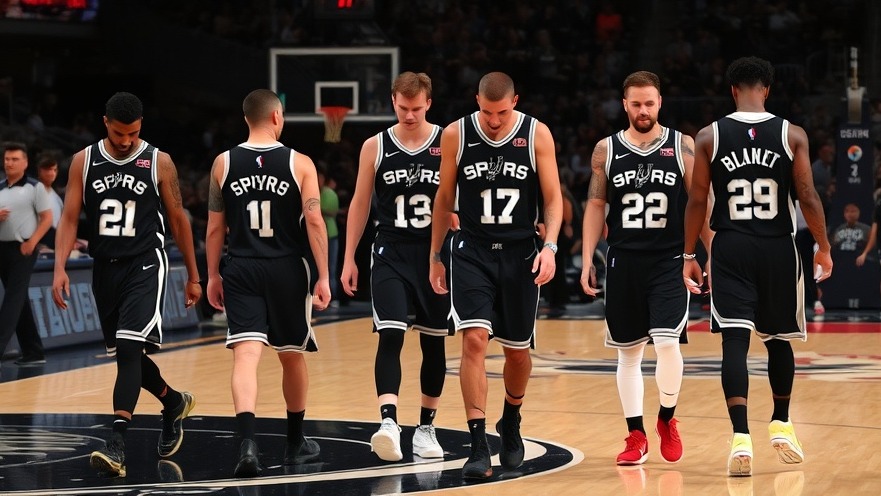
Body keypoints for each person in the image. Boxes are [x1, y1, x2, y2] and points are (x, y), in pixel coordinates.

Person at [682, 57, 833, 477]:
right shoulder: (793, 134)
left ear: (732, 90)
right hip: (778, 248)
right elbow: (808, 196)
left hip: (730, 246)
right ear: (766, 89)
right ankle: (782, 423)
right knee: (778, 339)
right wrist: (823, 246)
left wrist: (690, 255)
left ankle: (740, 437)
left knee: (734, 340)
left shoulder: (709, 136)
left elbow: (696, 202)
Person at [51, 92, 202, 478]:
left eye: (133, 133)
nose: (125, 141)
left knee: (129, 348)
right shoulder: (83, 161)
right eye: (119, 133)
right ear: (105, 123)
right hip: (104, 267)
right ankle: (172, 403)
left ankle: (116, 443)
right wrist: (60, 268)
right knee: (127, 354)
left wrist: (194, 275)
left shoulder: (159, 161)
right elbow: (69, 219)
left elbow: (179, 219)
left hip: (146, 262)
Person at [429, 71, 562, 479]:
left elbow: (554, 199)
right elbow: (443, 197)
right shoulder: (455, 134)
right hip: (471, 252)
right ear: (476, 103)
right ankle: (478, 443)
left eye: (501, 112)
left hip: (522, 253)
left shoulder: (538, 134)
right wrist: (435, 255)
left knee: (518, 352)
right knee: (473, 340)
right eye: (486, 111)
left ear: (515, 102)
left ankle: (512, 419)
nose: (493, 120)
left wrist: (552, 247)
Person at [580, 71, 711, 466]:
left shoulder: (681, 145)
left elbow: (699, 201)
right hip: (623, 260)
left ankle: (666, 418)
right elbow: (596, 206)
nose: (643, 110)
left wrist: (712, 250)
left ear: (660, 103)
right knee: (629, 354)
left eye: (649, 103)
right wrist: (588, 257)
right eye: (636, 103)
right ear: (624, 104)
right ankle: (635, 434)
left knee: (667, 342)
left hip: (670, 259)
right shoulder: (606, 149)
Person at [205, 88, 330, 477]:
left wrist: (212, 274)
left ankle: (247, 444)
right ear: (277, 117)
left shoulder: (222, 163)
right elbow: (313, 220)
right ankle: (295, 442)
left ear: (247, 119)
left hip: (240, 266)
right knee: (291, 354)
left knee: (245, 356)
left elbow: (213, 228)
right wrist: (324, 274)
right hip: (286, 268)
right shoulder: (300, 163)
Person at [341, 71, 450, 462]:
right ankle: (388, 422)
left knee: (433, 340)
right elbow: (359, 202)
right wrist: (349, 255)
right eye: (403, 108)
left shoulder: (447, 141)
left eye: (416, 109)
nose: (409, 115)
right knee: (390, 335)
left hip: (435, 254)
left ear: (429, 104)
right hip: (389, 251)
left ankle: (426, 427)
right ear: (393, 102)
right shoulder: (375, 146)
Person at [0, 142, 52, 366]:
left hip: (24, 248)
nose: (9, 163)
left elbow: (47, 218)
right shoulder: (0, 187)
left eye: (14, 159)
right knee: (18, 300)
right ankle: (33, 350)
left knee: (12, 299)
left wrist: (33, 241)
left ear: (25, 162)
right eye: (7, 159)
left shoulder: (35, 187)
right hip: (2, 248)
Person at [317, 164, 340, 303]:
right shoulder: (310, 190)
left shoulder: (329, 193)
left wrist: (315, 209)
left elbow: (331, 211)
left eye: (320, 177)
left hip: (330, 235)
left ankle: (333, 297)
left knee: (330, 267)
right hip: (315, 237)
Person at [35, 153, 64, 249]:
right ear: (40, 171)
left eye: (54, 170)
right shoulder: (32, 192)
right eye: (48, 170)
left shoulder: (57, 198)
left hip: (55, 241)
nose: (51, 173)